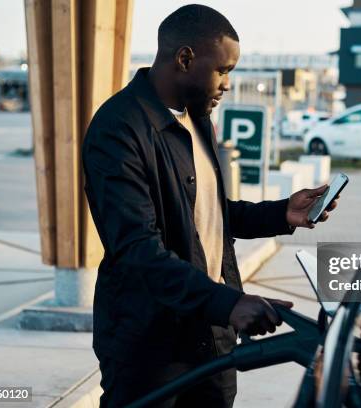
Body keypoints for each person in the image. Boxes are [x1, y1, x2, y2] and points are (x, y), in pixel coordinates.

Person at [82, 4, 338, 407]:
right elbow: (137, 250)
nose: (226, 85)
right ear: (184, 58)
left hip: (211, 338)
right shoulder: (118, 129)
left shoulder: (198, 122)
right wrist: (228, 303)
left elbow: (207, 215)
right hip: (151, 347)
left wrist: (281, 213)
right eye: (223, 71)